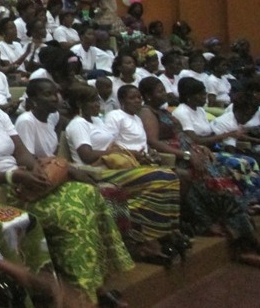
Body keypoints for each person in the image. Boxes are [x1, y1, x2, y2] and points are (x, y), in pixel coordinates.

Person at [0, 65, 134, 308]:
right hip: (2, 189)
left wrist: (37, 173)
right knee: (72, 215)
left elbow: (22, 153)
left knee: (90, 194)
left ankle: (97, 285)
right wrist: (14, 176)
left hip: (27, 183)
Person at [138, 76, 260, 267]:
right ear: (148, 96)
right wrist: (187, 155)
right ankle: (243, 247)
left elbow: (183, 135)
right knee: (220, 191)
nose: (165, 93)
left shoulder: (162, 110)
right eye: (160, 91)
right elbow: (154, 142)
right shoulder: (147, 112)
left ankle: (249, 242)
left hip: (190, 153)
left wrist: (199, 147)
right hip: (179, 159)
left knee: (229, 187)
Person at [65, 84, 184, 265]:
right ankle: (149, 240)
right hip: (97, 172)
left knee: (170, 177)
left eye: (97, 100)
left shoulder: (97, 121)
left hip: (113, 166)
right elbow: (86, 155)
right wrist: (117, 152)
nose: (97, 104)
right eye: (92, 101)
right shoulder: (77, 124)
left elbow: (113, 144)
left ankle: (163, 233)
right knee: (161, 178)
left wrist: (129, 153)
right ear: (80, 104)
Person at [173, 77, 260, 203]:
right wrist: (226, 135)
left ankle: (256, 197)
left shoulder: (200, 110)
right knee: (239, 163)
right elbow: (193, 140)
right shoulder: (182, 112)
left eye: (205, 93)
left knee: (251, 161)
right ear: (189, 96)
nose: (205, 97)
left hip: (210, 148)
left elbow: (209, 134)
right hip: (196, 151)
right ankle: (244, 200)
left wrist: (223, 136)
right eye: (201, 94)